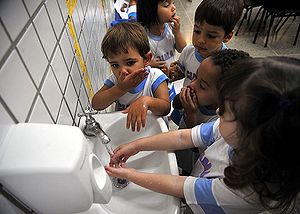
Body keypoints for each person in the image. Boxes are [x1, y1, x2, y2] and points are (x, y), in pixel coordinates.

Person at [105, 56, 300, 213]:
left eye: (225, 112)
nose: (217, 113)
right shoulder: (234, 132)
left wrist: (130, 174)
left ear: (254, 136)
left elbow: (179, 184)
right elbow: (184, 137)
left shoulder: (246, 191)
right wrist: (136, 145)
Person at [174, 49, 250, 176]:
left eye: (202, 86)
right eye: (196, 77)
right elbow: (175, 104)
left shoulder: (221, 120)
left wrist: (191, 114)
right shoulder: (195, 98)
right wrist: (183, 99)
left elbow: (197, 147)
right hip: (181, 151)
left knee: (187, 173)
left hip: (198, 164)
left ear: (226, 95)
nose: (192, 84)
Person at [169, 0, 244, 125]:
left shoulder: (225, 65)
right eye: (197, 31)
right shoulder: (189, 51)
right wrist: (174, 73)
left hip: (204, 119)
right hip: (185, 104)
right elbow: (183, 72)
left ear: (227, 36)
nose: (200, 40)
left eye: (211, 36)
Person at [92, 22, 170, 132]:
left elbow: (165, 107)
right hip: (127, 130)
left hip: (153, 131)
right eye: (115, 65)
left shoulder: (154, 77)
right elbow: (96, 104)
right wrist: (120, 88)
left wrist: (146, 101)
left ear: (147, 59)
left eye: (130, 63)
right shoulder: (115, 81)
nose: (123, 71)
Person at [137, 0, 187, 73]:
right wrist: (148, 65)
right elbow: (137, 63)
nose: (173, 8)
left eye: (173, 3)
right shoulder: (142, 36)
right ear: (150, 10)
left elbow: (182, 49)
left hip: (170, 77)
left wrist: (177, 33)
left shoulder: (171, 27)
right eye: (166, 5)